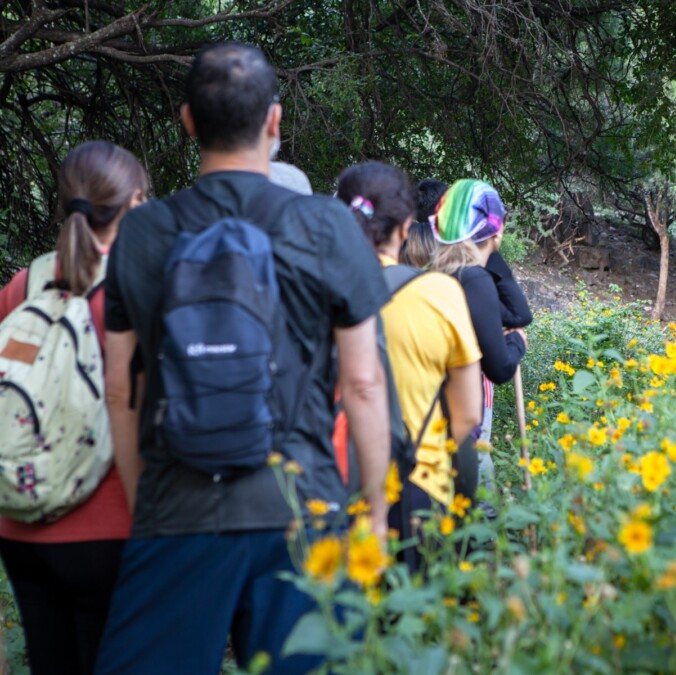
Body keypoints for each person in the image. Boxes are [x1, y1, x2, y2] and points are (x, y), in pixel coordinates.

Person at [94, 43, 391, 674]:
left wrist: (150, 503)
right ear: (275, 121)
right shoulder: (327, 226)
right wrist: (376, 512)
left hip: (178, 506)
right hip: (302, 506)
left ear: (188, 122)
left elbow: (120, 391)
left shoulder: (143, 233)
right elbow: (363, 385)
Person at [0, 140, 147, 675]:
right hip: (107, 526)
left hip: (19, 525)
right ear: (134, 203)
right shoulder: (137, 287)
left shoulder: (24, 284)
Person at [336, 162, 482, 570]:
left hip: (332, 485)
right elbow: (468, 413)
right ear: (405, 228)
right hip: (419, 486)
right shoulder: (439, 292)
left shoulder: (315, 288)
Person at [430, 179, 529, 495]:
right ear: (496, 231)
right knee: (473, 509)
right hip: (461, 419)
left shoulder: (442, 274)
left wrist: (487, 250)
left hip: (431, 415)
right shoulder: (474, 279)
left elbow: (518, 314)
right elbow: (500, 368)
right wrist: (517, 343)